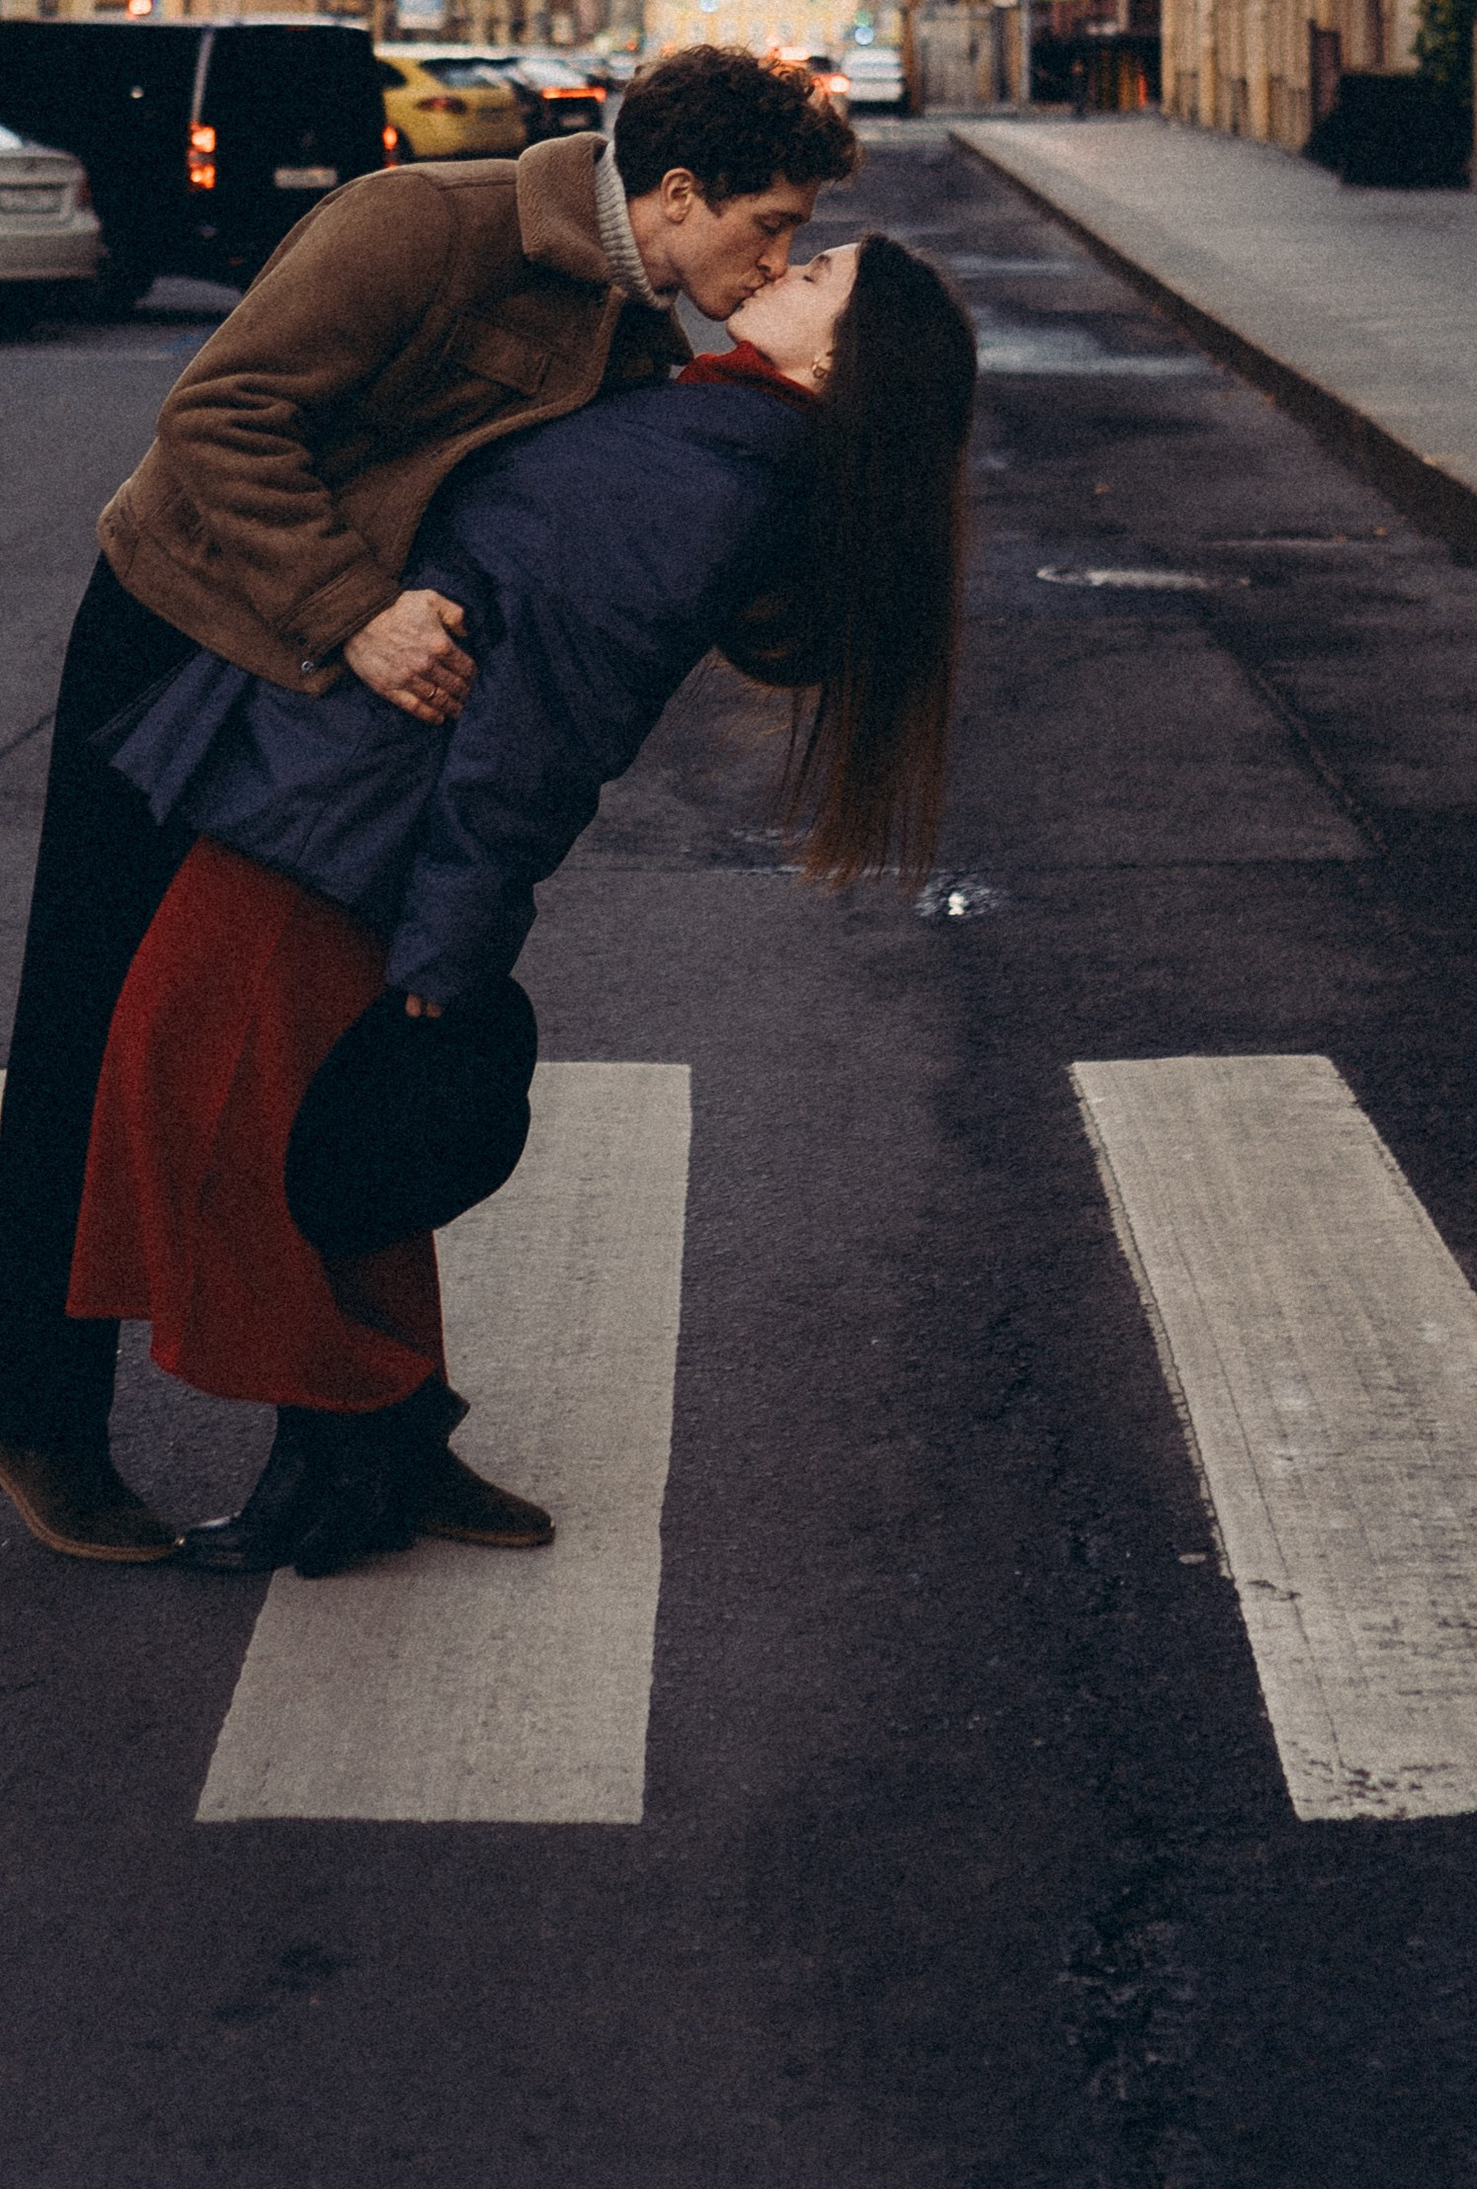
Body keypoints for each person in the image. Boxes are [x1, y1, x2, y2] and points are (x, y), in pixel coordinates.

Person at [0, 44, 860, 1564]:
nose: (773, 260)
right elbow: (218, 419)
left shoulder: (636, 326)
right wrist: (356, 610)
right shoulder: (421, 226)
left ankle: (385, 1430)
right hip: (184, 633)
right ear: (677, 192)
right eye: (765, 229)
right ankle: (40, 1424)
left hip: (338, 711)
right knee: (93, 1022)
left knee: (344, 1059)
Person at [65, 230, 979, 1578]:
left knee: (197, 1110)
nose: (788, 258)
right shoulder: (717, 423)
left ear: (841, 358)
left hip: (348, 814)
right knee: (302, 1127)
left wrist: (451, 948)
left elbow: (542, 733)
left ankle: (348, 1433)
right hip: (350, 790)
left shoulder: (709, 483)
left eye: (821, 267)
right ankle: (400, 1428)